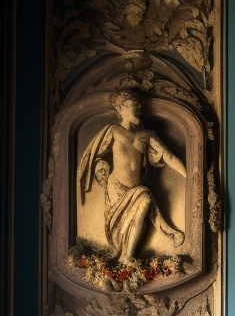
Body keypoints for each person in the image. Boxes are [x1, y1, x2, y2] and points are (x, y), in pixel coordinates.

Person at [77, 89, 187, 261]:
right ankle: (127, 255)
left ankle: (127, 256)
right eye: (132, 106)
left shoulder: (146, 135)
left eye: (137, 106)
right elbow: (96, 156)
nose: (136, 109)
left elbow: (169, 156)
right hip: (115, 189)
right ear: (120, 109)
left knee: (145, 198)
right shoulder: (113, 130)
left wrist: (192, 177)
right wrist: (101, 166)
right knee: (140, 203)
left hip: (135, 188)